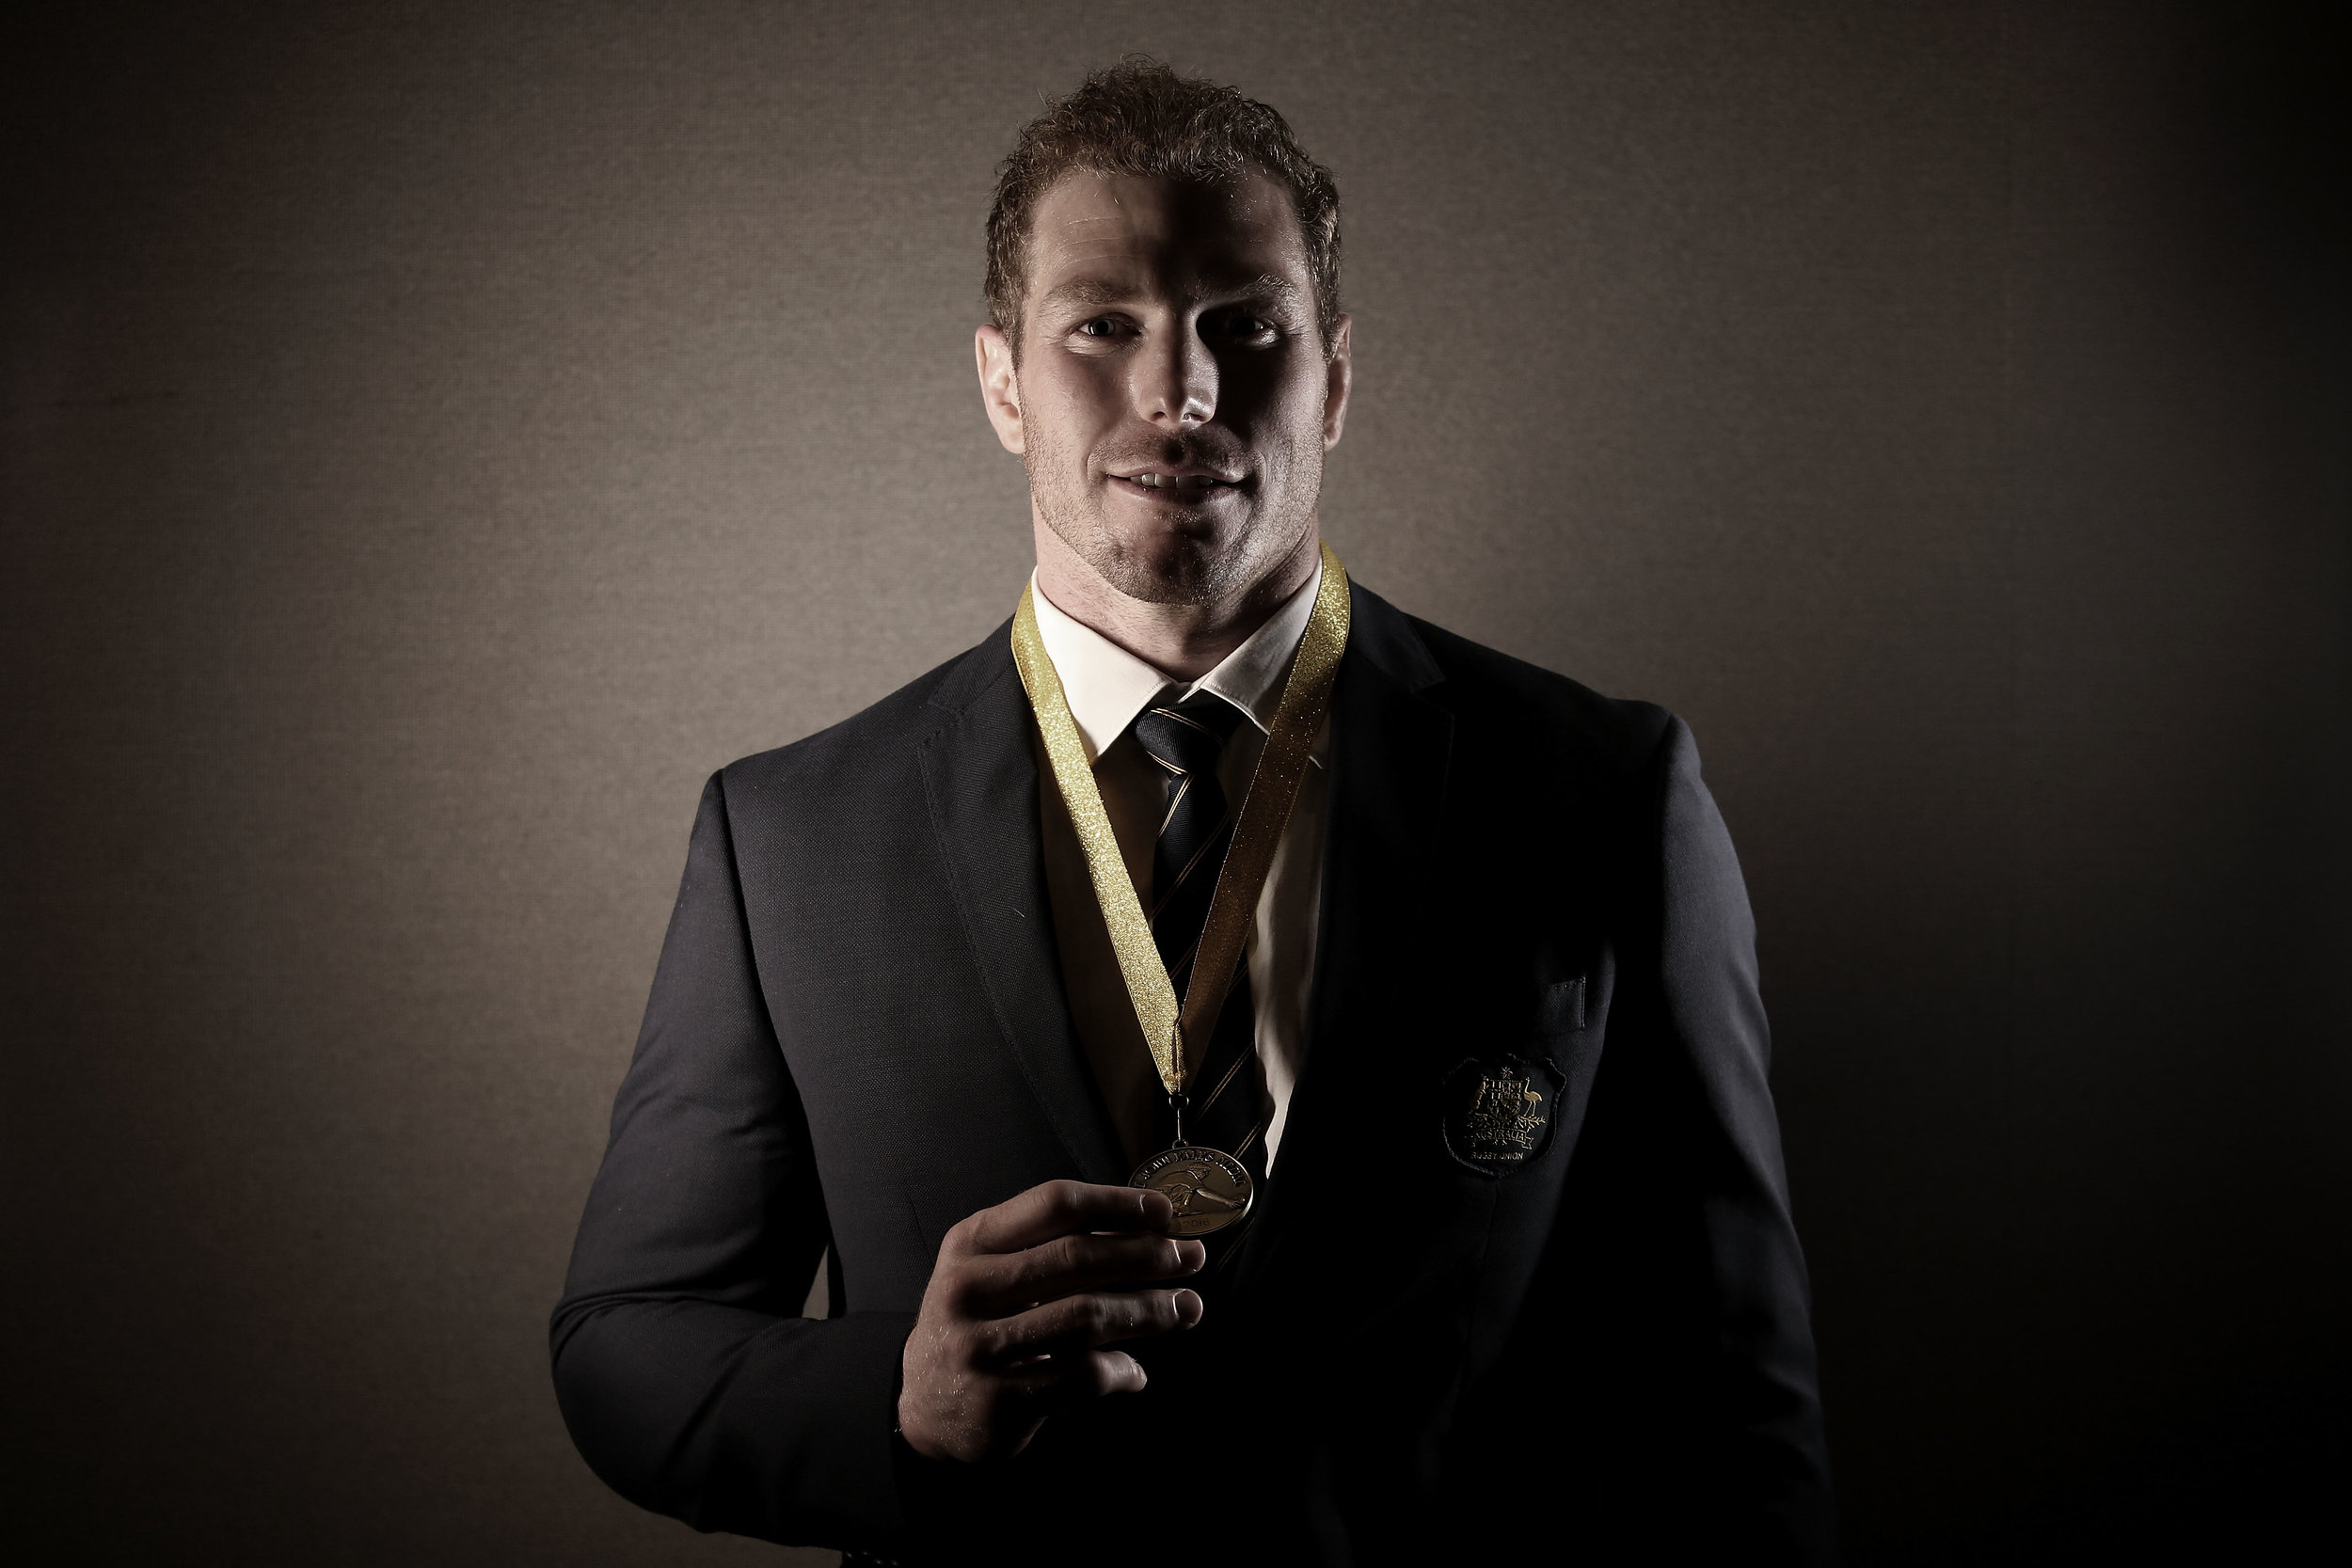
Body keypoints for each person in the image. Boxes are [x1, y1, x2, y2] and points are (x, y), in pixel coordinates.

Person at [551, 58, 1833, 1567]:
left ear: (1335, 378)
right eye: (1105, 325)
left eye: (1249, 326)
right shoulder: (788, 839)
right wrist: (894, 1396)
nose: (1184, 391)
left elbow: (1733, 1400)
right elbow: (627, 1346)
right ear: (1001, 380)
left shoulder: (1601, 790)